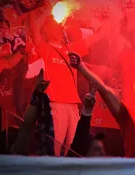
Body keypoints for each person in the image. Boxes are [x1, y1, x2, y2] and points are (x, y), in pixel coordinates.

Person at [28, 7, 102, 156]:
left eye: (58, 25)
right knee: (54, 150)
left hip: (73, 106)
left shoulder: (71, 49)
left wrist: (104, 19)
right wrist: (32, 7)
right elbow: (33, 29)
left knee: (74, 150)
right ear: (46, 31)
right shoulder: (45, 47)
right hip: (55, 104)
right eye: (53, 25)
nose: (58, 27)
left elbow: (97, 37)